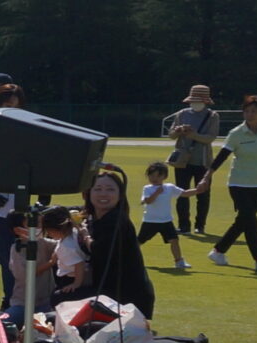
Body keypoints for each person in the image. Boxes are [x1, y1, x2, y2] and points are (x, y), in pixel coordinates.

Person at [199, 96, 257, 272]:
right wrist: (207, 176)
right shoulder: (236, 133)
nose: (249, 114)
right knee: (250, 220)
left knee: (243, 221)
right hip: (239, 184)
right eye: (247, 111)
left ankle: (218, 251)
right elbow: (221, 157)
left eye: (254, 111)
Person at [76, 166, 156, 315]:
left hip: (127, 296)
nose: (103, 194)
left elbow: (99, 250)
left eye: (110, 189)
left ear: (120, 195)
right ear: (88, 193)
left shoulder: (116, 220)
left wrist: (85, 235)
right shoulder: (94, 217)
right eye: (97, 189)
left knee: (60, 298)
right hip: (108, 289)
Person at [165, 84, 224, 235]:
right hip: (182, 160)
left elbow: (210, 137)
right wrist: (178, 131)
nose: (194, 103)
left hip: (203, 161)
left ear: (205, 101)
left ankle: (200, 225)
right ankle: (183, 225)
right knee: (181, 193)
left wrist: (193, 135)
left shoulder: (213, 116)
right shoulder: (182, 114)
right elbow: (171, 135)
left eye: (198, 101)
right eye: (193, 101)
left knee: (203, 195)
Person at [137, 163, 189, 271]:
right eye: (151, 175)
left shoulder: (169, 187)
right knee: (139, 241)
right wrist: (156, 193)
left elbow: (184, 193)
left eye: (158, 176)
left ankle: (179, 261)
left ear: (164, 176)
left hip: (166, 221)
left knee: (174, 240)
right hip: (150, 221)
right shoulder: (147, 188)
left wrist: (198, 190)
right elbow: (148, 201)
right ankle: (127, 258)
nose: (154, 178)